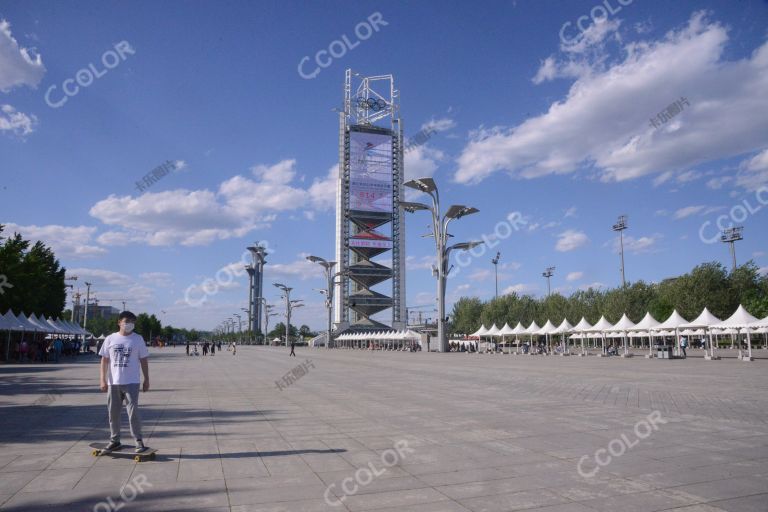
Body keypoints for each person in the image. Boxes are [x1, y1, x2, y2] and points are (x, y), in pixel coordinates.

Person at [98, 311, 150, 453]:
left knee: (133, 412)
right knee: (113, 413)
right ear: (119, 322)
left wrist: (146, 379)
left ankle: (138, 440)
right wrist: (102, 379)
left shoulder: (138, 339)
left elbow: (143, 360)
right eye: (126, 321)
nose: (129, 324)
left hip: (132, 382)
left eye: (132, 322)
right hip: (113, 382)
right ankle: (115, 440)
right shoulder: (110, 339)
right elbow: (104, 360)